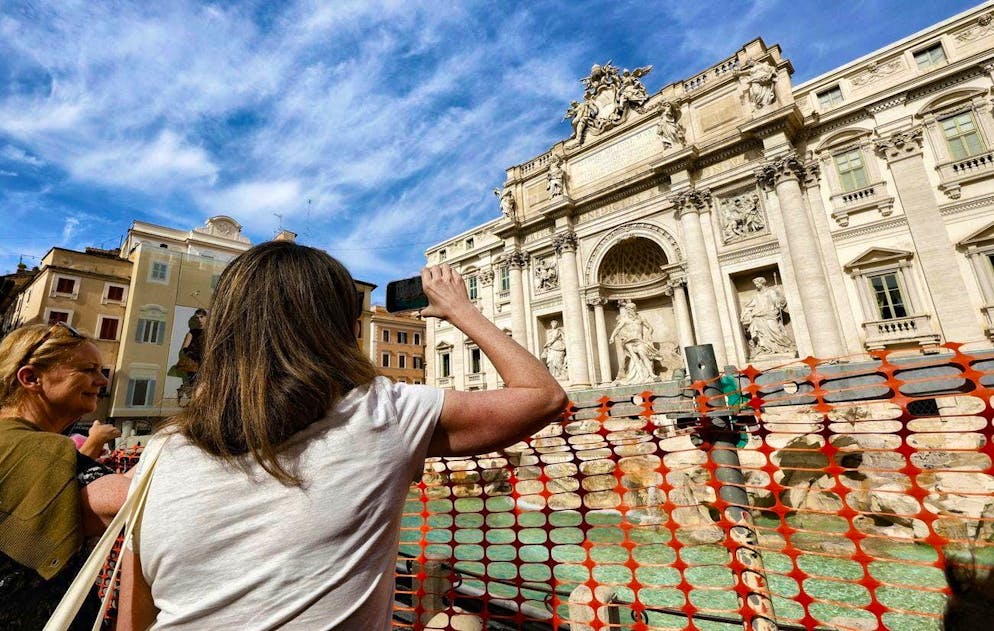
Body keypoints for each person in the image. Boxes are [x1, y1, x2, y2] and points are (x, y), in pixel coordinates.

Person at [117, 241, 567, 630]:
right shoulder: (382, 414)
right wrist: (460, 309)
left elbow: (134, 615)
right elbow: (542, 395)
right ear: (344, 329)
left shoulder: (163, 448)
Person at [0, 322, 133, 629]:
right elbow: (138, 499)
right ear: (31, 377)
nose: (101, 380)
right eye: (88, 370)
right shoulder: (37, 449)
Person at [609, 301, 664, 384]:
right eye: (627, 309)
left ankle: (651, 374)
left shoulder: (641, 318)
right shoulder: (624, 319)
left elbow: (650, 328)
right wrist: (612, 337)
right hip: (629, 341)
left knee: (643, 354)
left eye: (630, 309)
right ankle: (641, 376)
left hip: (639, 341)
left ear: (634, 309)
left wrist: (648, 333)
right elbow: (617, 329)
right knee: (634, 358)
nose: (628, 311)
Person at [740, 277, 795, 359]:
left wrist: (779, 293)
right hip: (759, 316)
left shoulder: (770, 292)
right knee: (761, 334)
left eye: (757, 284)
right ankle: (766, 349)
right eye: (755, 284)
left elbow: (778, 302)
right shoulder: (756, 295)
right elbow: (750, 305)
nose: (756, 286)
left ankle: (785, 346)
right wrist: (745, 313)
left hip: (770, 315)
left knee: (775, 331)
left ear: (762, 283)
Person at [167, 308, 207, 405]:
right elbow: (184, 348)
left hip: (206, 362)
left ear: (206, 317)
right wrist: (192, 353)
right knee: (196, 386)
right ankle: (193, 402)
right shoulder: (192, 332)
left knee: (204, 384)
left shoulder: (211, 332)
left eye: (201, 317)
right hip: (193, 363)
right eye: (197, 318)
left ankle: (191, 398)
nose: (199, 320)